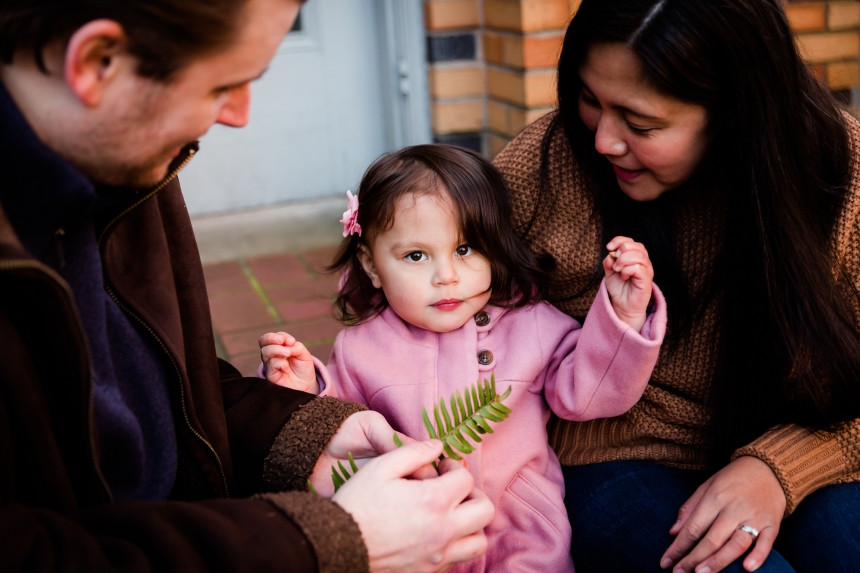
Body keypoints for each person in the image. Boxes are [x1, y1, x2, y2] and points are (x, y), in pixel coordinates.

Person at [0, 0, 495, 571]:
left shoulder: (126, 154)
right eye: (225, 85)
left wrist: (302, 432)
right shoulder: (131, 149)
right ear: (97, 62)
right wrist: (320, 543)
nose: (239, 115)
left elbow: (171, 392)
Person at [493, 0, 860, 572]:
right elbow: (420, 308)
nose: (604, 141)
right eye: (591, 100)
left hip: (810, 443)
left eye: (640, 124)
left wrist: (780, 467)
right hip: (616, 456)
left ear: (735, 111)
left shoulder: (842, 173)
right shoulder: (544, 167)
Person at [256, 144, 669, 571]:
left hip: (520, 532)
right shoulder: (362, 347)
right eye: (416, 256)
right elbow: (338, 435)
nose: (446, 276)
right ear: (373, 265)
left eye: (466, 249)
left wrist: (621, 316)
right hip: (414, 539)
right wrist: (302, 390)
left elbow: (588, 393)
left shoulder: (532, 325)